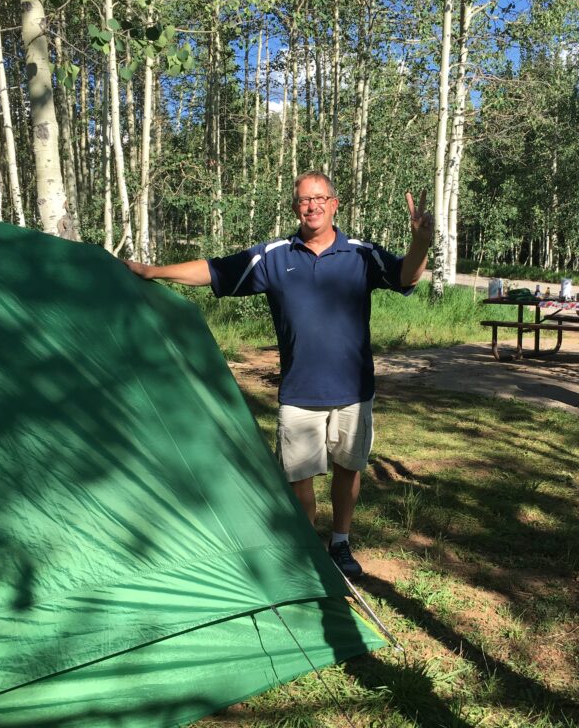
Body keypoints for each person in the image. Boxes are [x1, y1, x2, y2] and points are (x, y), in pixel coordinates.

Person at [123, 171, 433, 578]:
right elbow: (214, 270)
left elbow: (406, 277)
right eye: (305, 200)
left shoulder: (362, 254)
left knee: (347, 470)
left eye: (321, 198)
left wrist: (421, 241)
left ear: (335, 204)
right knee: (298, 479)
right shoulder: (273, 256)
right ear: (294, 207)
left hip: (353, 390)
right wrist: (153, 271)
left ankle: (340, 542)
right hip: (299, 392)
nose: (313, 206)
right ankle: (307, 551)